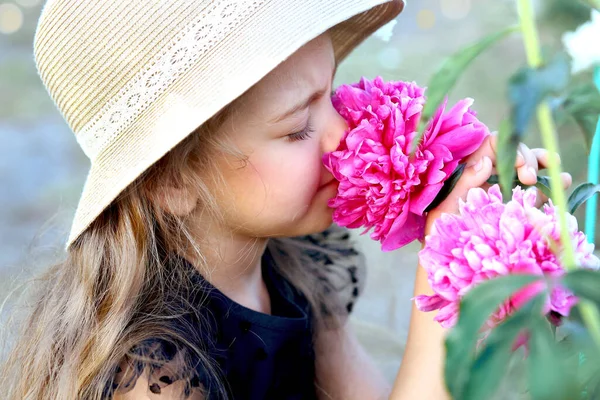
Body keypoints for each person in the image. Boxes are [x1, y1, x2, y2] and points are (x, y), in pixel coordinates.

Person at [1, 0, 572, 399]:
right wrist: (448, 278)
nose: (342, 134)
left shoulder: (298, 265)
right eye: (299, 126)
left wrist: (488, 237)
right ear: (171, 182)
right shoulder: (154, 377)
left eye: (332, 96)